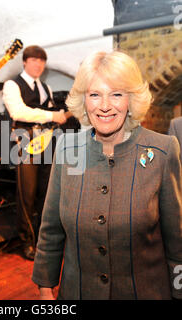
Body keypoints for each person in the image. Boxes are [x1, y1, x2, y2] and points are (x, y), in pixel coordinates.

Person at [32, 50, 182, 300]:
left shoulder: (164, 151)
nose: (104, 106)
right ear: (84, 99)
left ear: (131, 99)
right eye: (94, 94)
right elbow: (51, 227)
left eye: (116, 94)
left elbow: (177, 241)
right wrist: (44, 286)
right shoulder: (68, 149)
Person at [3, 45, 67, 260]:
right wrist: (52, 117)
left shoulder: (46, 88)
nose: (39, 64)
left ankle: (43, 239)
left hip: (47, 143)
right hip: (24, 142)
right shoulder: (12, 85)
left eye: (42, 61)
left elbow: (49, 114)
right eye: (34, 60)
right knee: (26, 196)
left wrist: (59, 115)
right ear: (24, 62)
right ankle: (26, 242)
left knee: (46, 194)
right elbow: (18, 111)